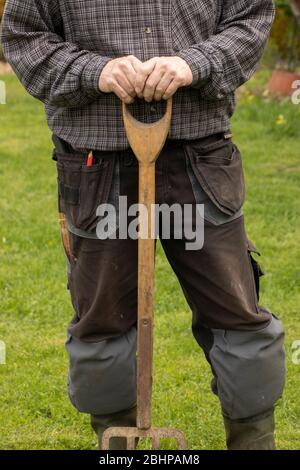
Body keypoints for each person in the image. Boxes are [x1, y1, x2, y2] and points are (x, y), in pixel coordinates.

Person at [1, 0, 285, 450]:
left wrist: (193, 63)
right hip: (97, 167)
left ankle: (253, 443)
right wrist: (94, 71)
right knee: (102, 322)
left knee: (236, 315)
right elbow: (24, 38)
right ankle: (119, 450)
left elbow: (251, 19)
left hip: (201, 160)